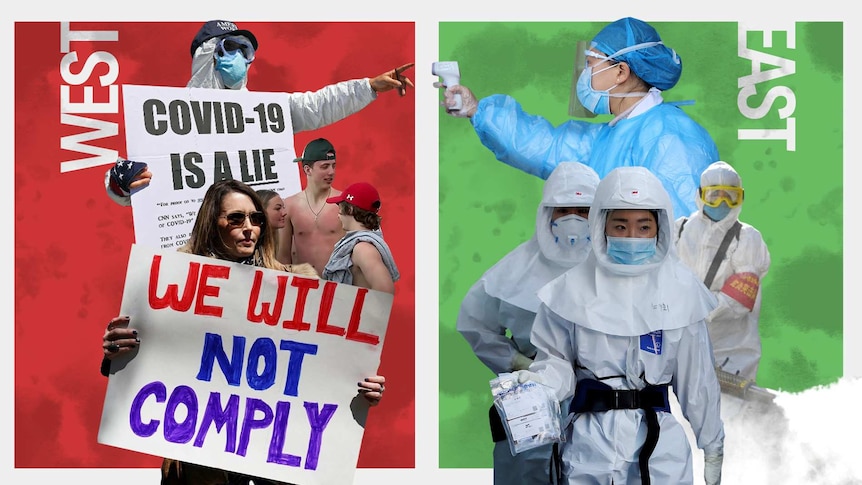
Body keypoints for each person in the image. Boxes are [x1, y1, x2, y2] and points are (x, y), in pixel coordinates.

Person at [100, 179, 386, 485]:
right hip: (202, 464)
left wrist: (360, 387)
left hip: (275, 462)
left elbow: (325, 371)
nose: (249, 227)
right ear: (213, 223)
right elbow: (145, 371)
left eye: (257, 219)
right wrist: (118, 353)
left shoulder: (300, 286)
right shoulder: (174, 281)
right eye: (236, 218)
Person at [515, 167, 725, 485]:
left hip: (659, 446)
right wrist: (538, 383)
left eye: (643, 227)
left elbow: (697, 383)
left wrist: (712, 446)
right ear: (601, 225)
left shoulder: (681, 292)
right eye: (620, 225)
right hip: (589, 443)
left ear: (660, 229)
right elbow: (557, 364)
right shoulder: (569, 292)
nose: (631, 237)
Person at [105, 19, 414, 206]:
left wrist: (368, 86)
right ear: (207, 54)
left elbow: (319, 105)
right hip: (195, 254)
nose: (239, 57)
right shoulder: (167, 118)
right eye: (231, 47)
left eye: (245, 51)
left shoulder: (263, 115)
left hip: (253, 252)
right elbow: (129, 185)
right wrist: (120, 183)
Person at [440, 17, 718, 219]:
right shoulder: (609, 137)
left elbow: (687, 233)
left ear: (621, 72)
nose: (584, 75)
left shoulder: (672, 136)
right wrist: (476, 109)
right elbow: (544, 146)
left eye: (591, 65)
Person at [456, 161, 600, 485]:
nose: (574, 219)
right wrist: (514, 361)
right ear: (547, 212)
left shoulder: (617, 269)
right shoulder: (516, 269)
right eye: (564, 209)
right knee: (526, 475)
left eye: (584, 209)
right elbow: (472, 321)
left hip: (603, 398)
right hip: (531, 400)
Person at [673, 161, 771, 382]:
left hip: (731, 353)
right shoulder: (679, 230)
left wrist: (693, 309)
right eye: (714, 195)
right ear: (700, 195)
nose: (723, 203)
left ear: (740, 197)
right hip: (681, 347)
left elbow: (738, 299)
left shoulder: (748, 238)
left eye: (730, 196)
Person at [278, 138, 345, 276]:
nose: (331, 172)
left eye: (333, 165)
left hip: (339, 288)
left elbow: (361, 252)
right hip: (303, 288)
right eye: (325, 166)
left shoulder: (344, 203)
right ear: (308, 169)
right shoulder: (289, 206)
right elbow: (283, 256)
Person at [321, 182, 399, 294]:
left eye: (340, 207)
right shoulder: (360, 245)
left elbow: (386, 290)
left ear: (350, 210)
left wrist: (367, 311)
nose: (338, 215)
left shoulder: (363, 249)